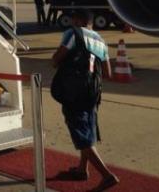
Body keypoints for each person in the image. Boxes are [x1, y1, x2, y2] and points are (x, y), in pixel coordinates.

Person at [52, 10, 119, 191]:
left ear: (79, 20)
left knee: (81, 135)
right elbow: (107, 73)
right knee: (88, 130)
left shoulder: (73, 33)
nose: (72, 22)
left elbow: (56, 59)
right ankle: (82, 169)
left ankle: (107, 175)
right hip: (93, 94)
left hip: (75, 93)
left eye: (73, 19)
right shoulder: (101, 40)